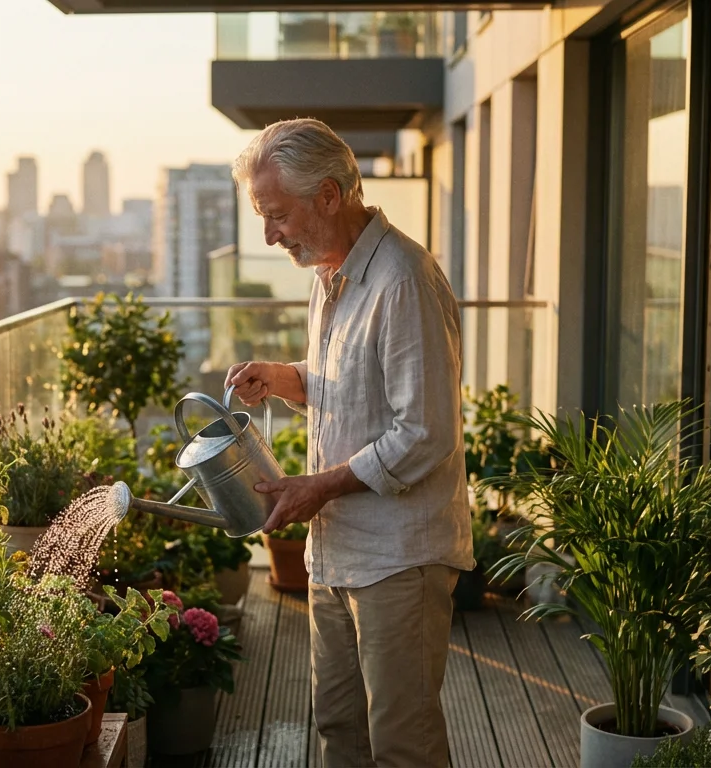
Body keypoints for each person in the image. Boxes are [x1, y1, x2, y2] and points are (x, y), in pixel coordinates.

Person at [225, 118, 474, 768]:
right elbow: (351, 386)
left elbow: (424, 434)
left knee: (401, 747)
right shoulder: (329, 273)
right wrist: (285, 379)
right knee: (340, 732)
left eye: (277, 214)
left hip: (398, 561)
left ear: (330, 196)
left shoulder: (404, 281)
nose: (270, 234)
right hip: (336, 555)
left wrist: (319, 486)